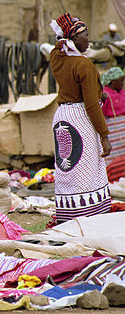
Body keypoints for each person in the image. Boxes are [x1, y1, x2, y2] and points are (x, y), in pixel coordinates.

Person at [49, 13, 112, 224]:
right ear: (74, 39)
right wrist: (104, 135)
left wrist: (96, 90)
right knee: (86, 167)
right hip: (81, 117)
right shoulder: (83, 64)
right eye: (85, 35)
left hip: (62, 117)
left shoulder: (57, 58)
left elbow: (58, 51)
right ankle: (88, 216)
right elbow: (91, 105)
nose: (89, 39)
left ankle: (68, 214)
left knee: (68, 167)